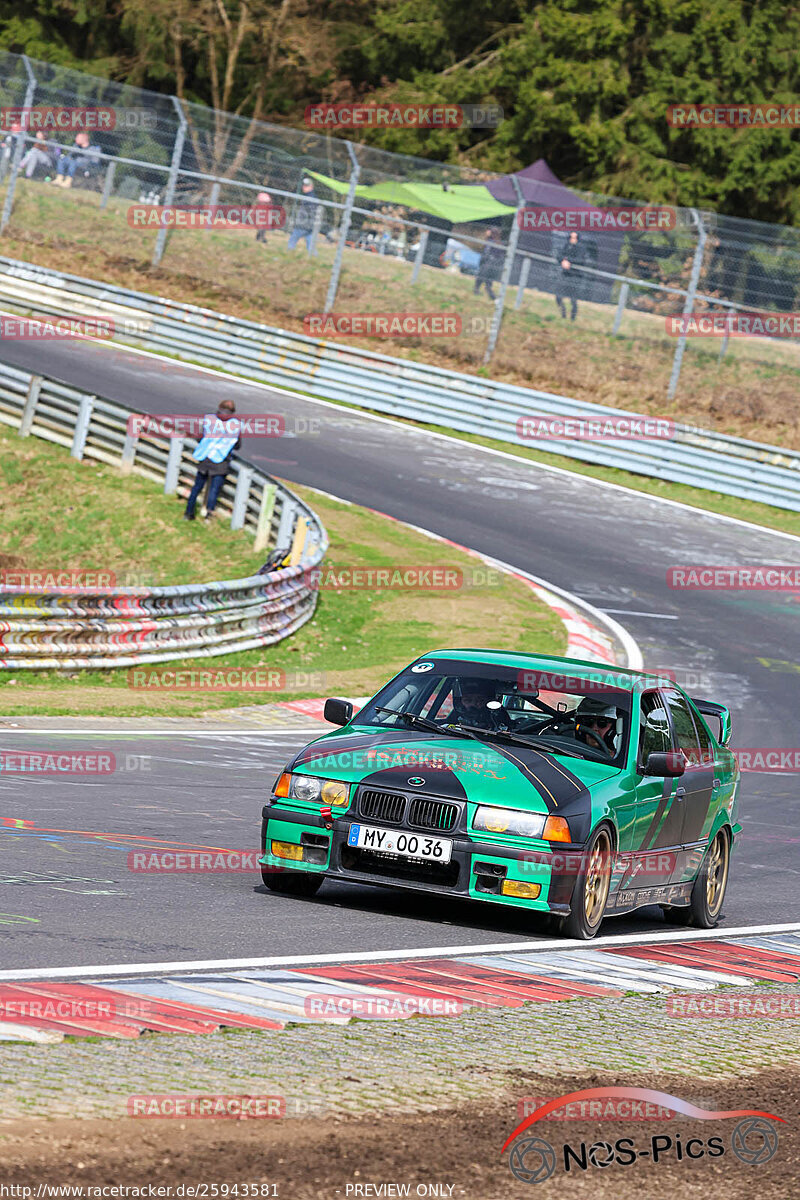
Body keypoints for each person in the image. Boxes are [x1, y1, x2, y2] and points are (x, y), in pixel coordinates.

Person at [183, 399, 242, 522]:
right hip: (221, 461)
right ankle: (208, 517)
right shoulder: (235, 425)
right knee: (214, 490)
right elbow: (237, 445)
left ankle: (188, 513)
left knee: (197, 487)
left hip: (205, 458)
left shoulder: (210, 420)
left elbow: (200, 437)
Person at [555, 230, 586, 320]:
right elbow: (559, 255)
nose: (572, 239)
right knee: (558, 296)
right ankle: (563, 313)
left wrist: (569, 261)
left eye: (574, 238)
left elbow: (580, 260)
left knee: (573, 300)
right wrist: (563, 261)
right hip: (565, 275)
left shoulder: (581, 248)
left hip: (575, 276)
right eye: (570, 237)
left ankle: (572, 318)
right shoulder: (566, 246)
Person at [288, 177, 319, 252]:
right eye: (304, 185)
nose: (304, 187)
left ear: (311, 187)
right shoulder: (309, 196)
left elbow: (310, 211)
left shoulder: (310, 197)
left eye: (306, 186)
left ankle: (288, 254)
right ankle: (313, 258)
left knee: (292, 240)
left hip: (303, 224)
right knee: (310, 243)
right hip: (310, 224)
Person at [473, 228, 504, 300]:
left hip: (488, 263)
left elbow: (486, 253)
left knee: (481, 278)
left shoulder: (490, 242)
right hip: (494, 264)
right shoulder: (499, 243)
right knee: (488, 282)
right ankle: (491, 295)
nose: (486, 232)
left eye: (489, 231)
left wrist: (482, 261)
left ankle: (477, 291)